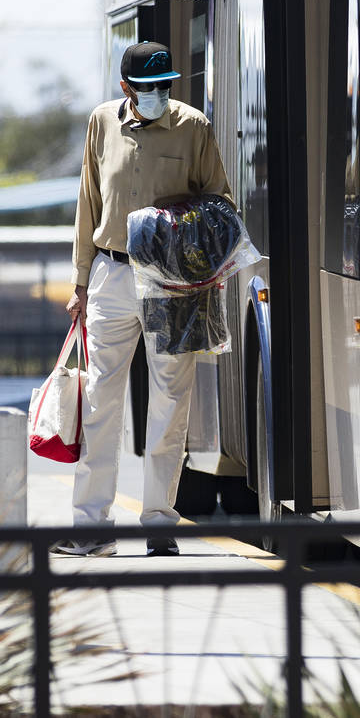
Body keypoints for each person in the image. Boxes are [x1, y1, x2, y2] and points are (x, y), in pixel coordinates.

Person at [54, 41, 232, 559]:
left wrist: (181, 223)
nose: (159, 95)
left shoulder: (193, 126)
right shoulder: (101, 122)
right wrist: (80, 283)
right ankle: (91, 527)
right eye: (148, 87)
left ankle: (158, 523)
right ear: (126, 88)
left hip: (172, 279)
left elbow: (221, 204)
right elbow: (88, 201)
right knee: (99, 400)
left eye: (165, 86)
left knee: (171, 402)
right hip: (111, 274)